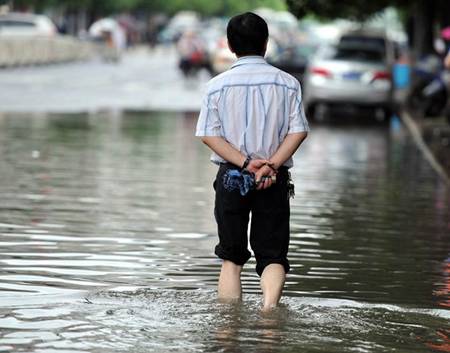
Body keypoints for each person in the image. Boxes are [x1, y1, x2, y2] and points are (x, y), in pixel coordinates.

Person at [195, 12, 309, 311]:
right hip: (274, 177)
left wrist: (247, 164)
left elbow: (209, 135)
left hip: (233, 177)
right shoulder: (288, 84)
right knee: (272, 255)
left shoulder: (217, 86)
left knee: (231, 257)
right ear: (266, 43)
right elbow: (299, 130)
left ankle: (229, 325)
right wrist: (271, 164)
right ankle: (270, 313)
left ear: (231, 46)